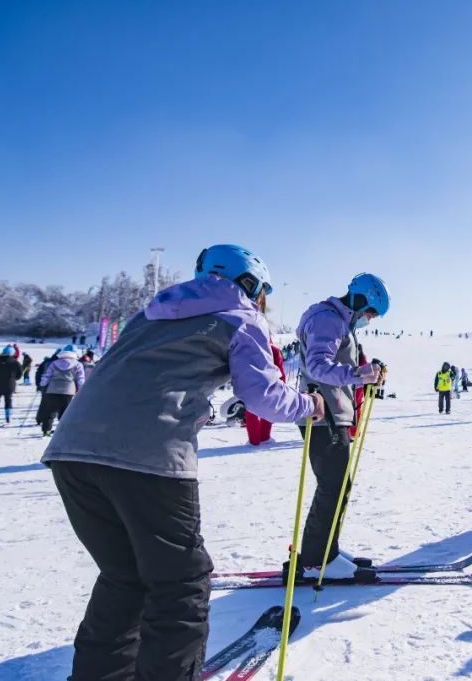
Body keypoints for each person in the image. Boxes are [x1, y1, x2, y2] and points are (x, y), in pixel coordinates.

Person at [41, 243, 322, 681]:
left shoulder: (151, 314)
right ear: (250, 284)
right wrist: (309, 405)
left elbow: (143, 377)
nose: (262, 300)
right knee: (180, 585)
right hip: (147, 459)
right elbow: (264, 397)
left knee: (124, 576)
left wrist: (200, 407)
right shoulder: (242, 318)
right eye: (262, 290)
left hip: (72, 451)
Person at [294, 273, 388, 580]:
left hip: (333, 413)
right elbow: (319, 365)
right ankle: (316, 560)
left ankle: (325, 551)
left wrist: (365, 373)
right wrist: (359, 375)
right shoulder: (328, 320)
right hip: (324, 414)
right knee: (333, 485)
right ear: (361, 301)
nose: (369, 320)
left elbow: (332, 364)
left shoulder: (337, 321)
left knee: (337, 486)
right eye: (371, 313)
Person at [38, 344, 86, 437]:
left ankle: (46, 430)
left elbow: (47, 376)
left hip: (52, 390)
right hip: (68, 390)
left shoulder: (54, 363)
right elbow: (80, 379)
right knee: (65, 412)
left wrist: (42, 384)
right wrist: (81, 389)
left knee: (50, 411)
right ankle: (62, 431)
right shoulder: (77, 364)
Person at [244, 341, 286, 445]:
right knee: (268, 410)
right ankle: (265, 437)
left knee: (251, 411)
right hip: (270, 385)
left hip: (251, 384)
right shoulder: (274, 350)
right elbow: (280, 371)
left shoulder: (248, 349)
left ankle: (254, 440)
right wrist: (282, 386)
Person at [0, 346, 22, 424]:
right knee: (8, 400)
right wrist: (14, 378)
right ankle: (8, 417)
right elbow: (19, 374)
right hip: (10, 384)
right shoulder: (15, 362)